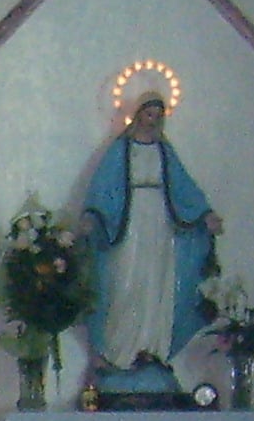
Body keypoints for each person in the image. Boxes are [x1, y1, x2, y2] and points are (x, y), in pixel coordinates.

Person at [78, 90, 223, 392]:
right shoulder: (121, 150)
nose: (152, 120)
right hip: (128, 228)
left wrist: (205, 213)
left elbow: (184, 187)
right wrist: (93, 215)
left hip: (159, 227)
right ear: (137, 115)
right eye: (148, 114)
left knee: (157, 286)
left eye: (158, 116)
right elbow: (104, 186)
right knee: (126, 284)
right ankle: (119, 355)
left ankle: (152, 350)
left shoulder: (165, 152)